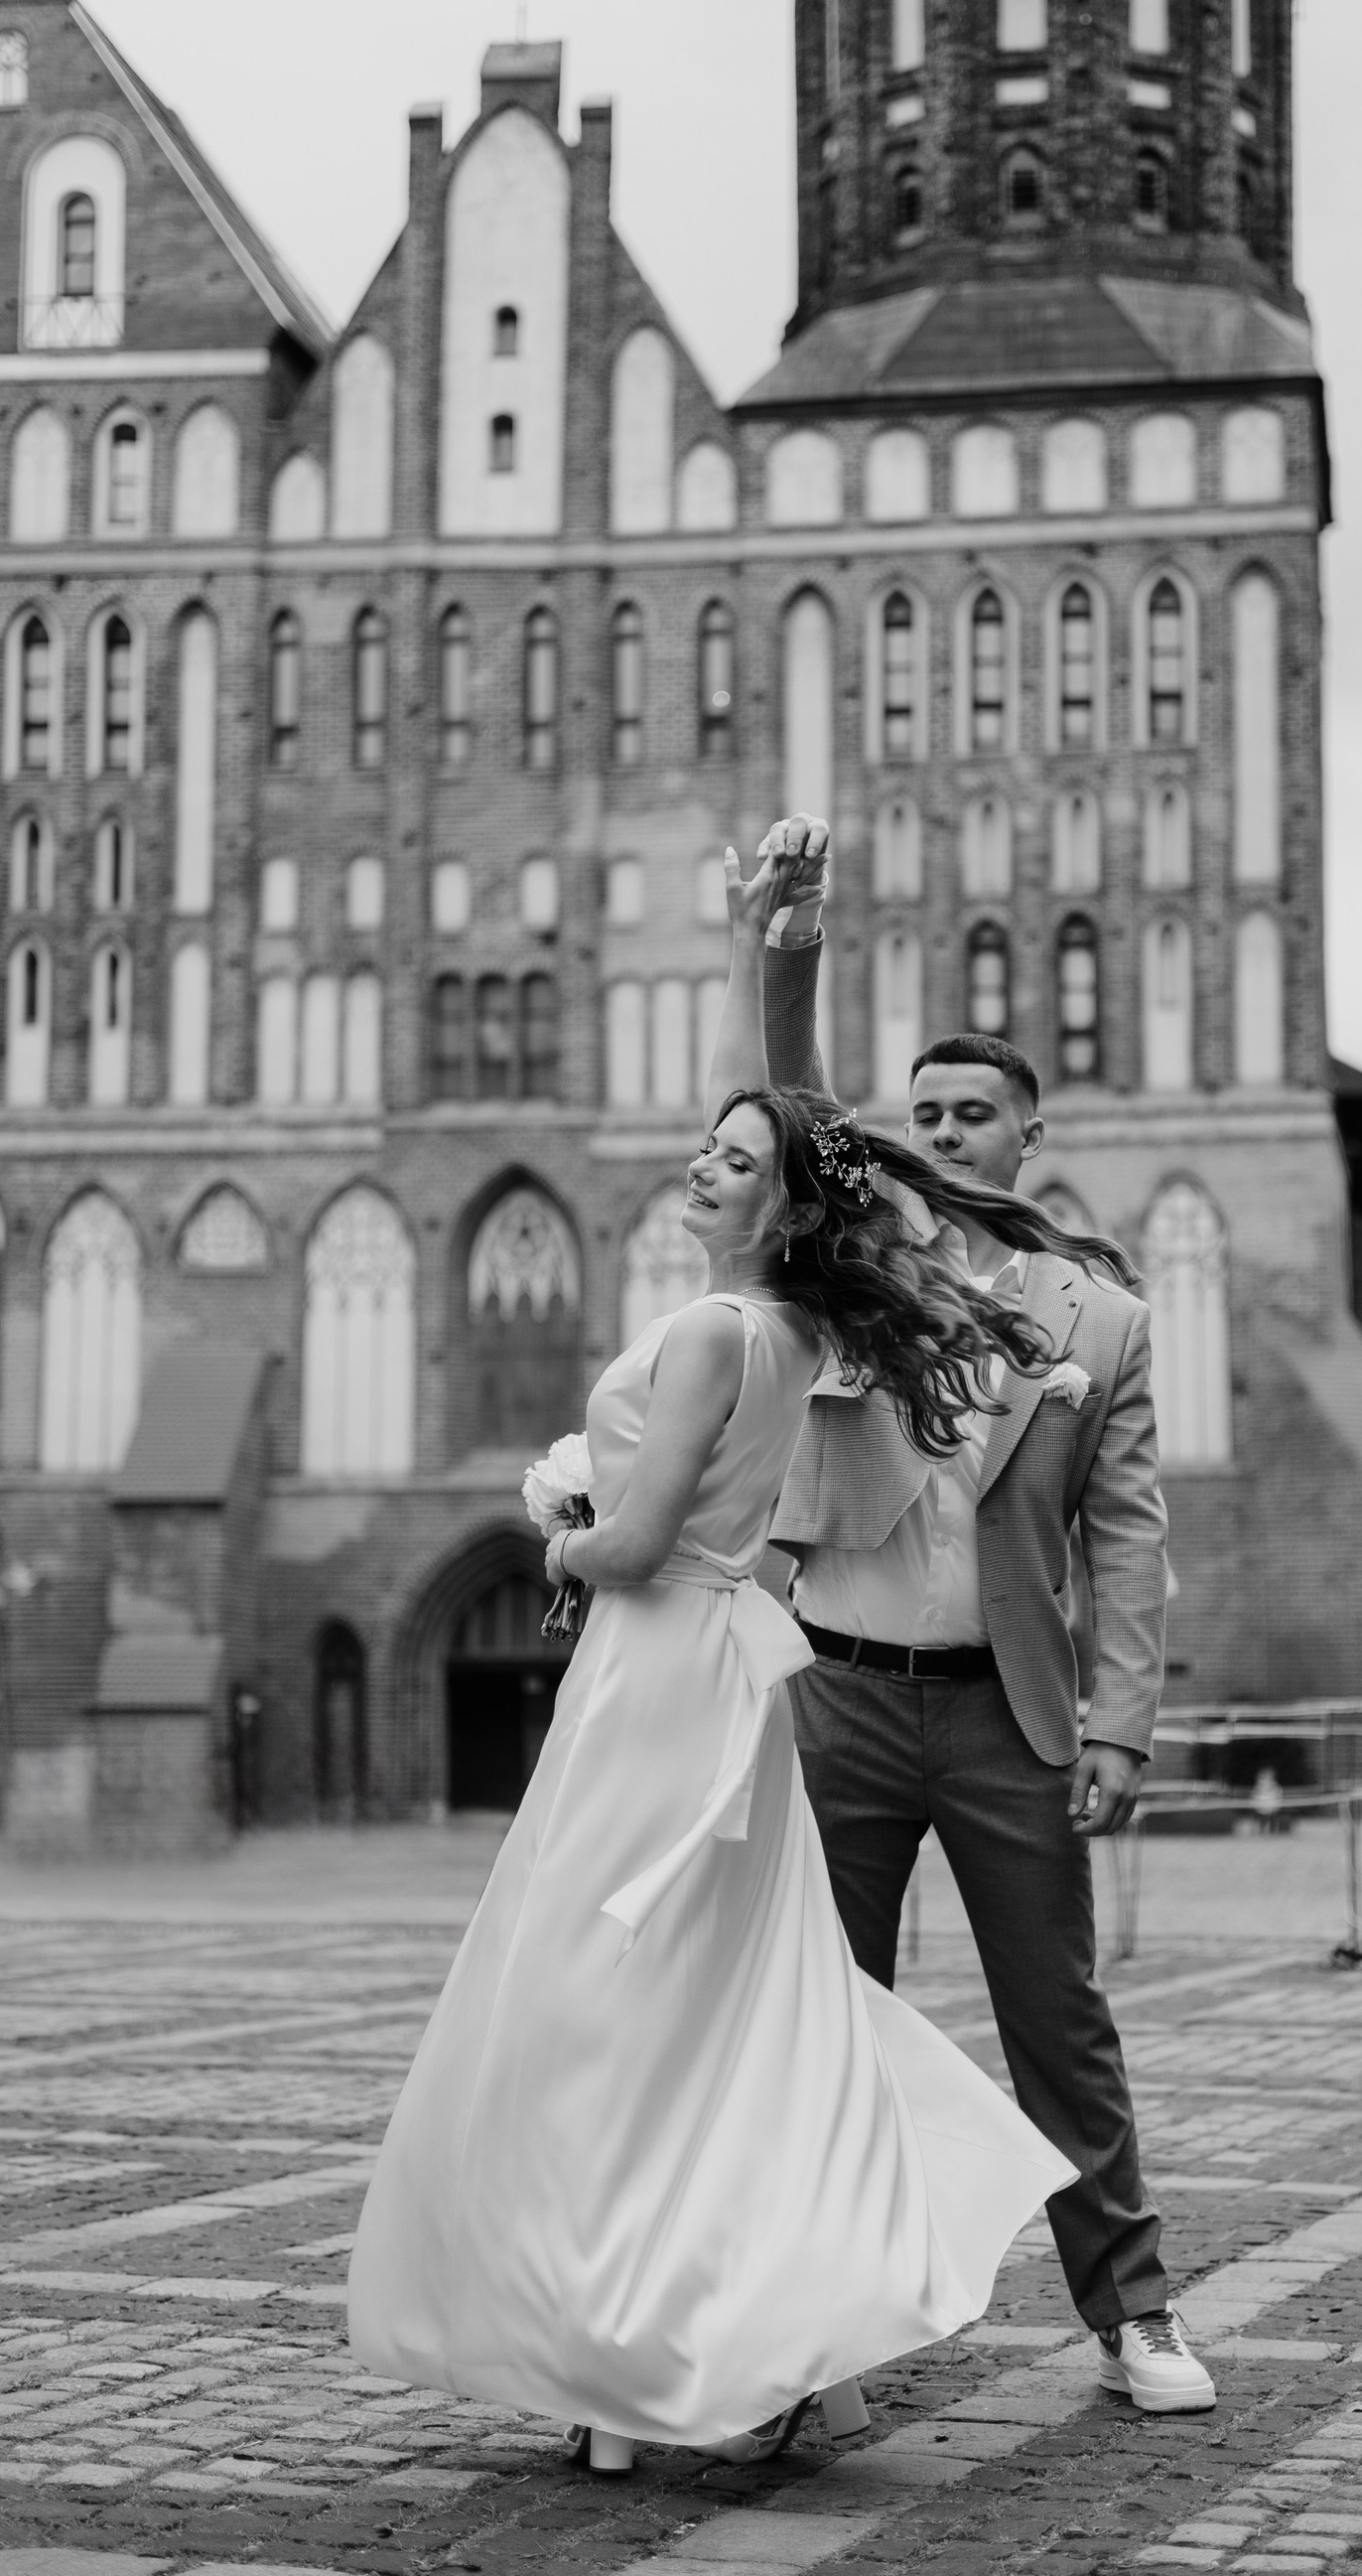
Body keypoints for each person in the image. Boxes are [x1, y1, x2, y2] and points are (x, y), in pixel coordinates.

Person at [347, 839, 1109, 2474]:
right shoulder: (803, 1327)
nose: (702, 1167)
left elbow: (633, 1548)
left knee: (606, 2004)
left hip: (661, 1676)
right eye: (704, 1147)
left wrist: (559, 1533)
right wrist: (781, 950)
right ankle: (760, 2343)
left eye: (731, 1158)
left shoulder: (718, 1328)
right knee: (731, 2010)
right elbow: (812, 1148)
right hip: (733, 1677)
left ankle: (629, 2346)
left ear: (780, 1199)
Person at [747, 813, 1215, 2416]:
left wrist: (1120, 1723)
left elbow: (1129, 1538)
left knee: (1059, 2024)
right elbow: (798, 1102)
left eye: (972, 1114)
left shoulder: (1106, 1320)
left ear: (1028, 1136)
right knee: (822, 2025)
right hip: (841, 1697)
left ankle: (1134, 2314)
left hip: (1008, 1710)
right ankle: (809, 2336)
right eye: (925, 1113)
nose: (944, 1131)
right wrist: (792, 940)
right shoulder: (857, 1255)